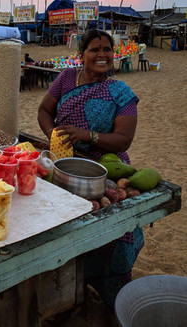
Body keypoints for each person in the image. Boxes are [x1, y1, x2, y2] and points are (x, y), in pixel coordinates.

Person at [37, 28, 144, 307]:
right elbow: (44, 110)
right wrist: (54, 136)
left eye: (107, 49)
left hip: (105, 169)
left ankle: (112, 294)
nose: (102, 55)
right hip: (65, 163)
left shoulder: (122, 93)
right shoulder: (65, 79)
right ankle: (68, 290)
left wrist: (86, 136)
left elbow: (124, 139)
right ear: (81, 55)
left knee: (114, 235)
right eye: (94, 49)